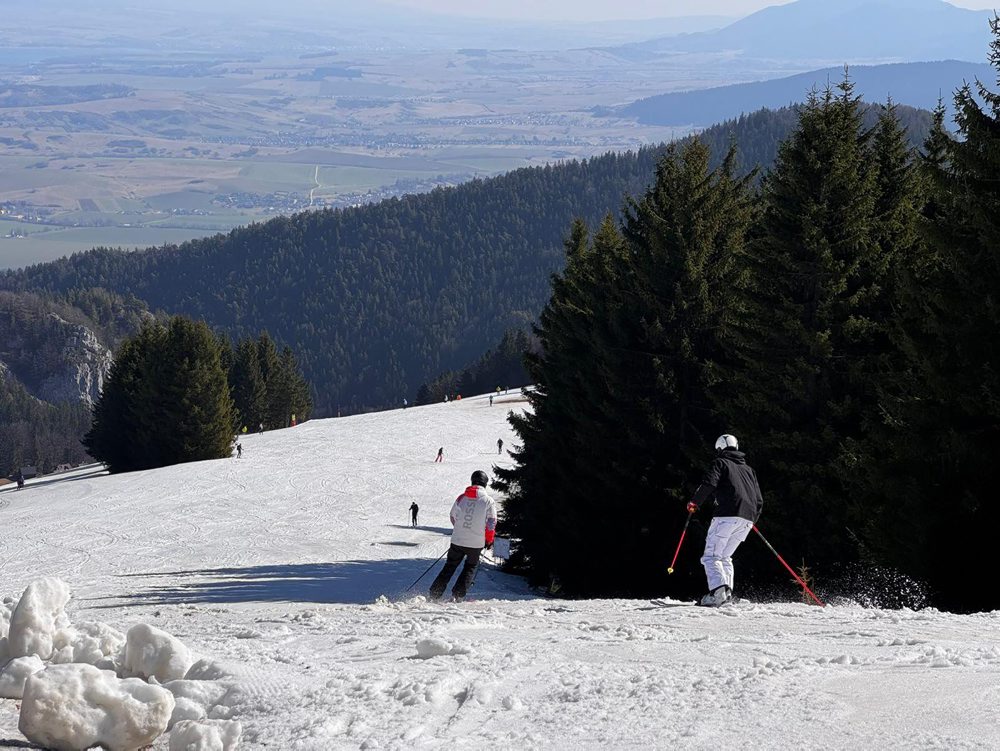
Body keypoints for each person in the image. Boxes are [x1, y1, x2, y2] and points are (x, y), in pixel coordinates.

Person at [686, 434, 763, 607]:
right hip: (747, 519)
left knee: (711, 556)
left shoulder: (720, 463)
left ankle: (718, 593)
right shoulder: (749, 470)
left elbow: (709, 483)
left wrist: (694, 503)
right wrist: (751, 518)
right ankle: (727, 594)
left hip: (727, 516)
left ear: (720, 449)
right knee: (725, 556)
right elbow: (759, 500)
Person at [429, 470, 497, 602]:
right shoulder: (488, 501)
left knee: (450, 566)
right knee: (470, 567)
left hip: (458, 540)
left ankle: (435, 594)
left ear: (472, 481)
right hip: (476, 543)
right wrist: (489, 540)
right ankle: (457, 595)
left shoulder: (462, 497)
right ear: (485, 484)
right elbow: (491, 523)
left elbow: (453, 515)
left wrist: (460, 529)